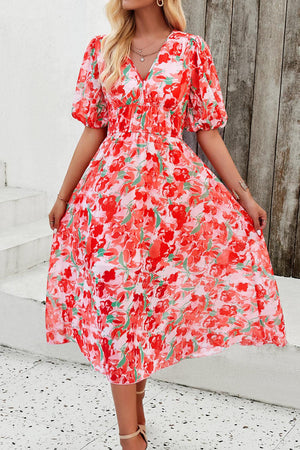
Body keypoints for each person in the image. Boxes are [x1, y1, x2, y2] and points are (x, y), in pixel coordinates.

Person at [45, 0, 287, 448]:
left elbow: (207, 131)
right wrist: (64, 194)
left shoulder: (190, 50)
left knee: (150, 303)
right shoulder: (103, 49)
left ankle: (136, 401)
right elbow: (94, 129)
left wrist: (244, 195)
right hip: (110, 200)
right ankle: (129, 437)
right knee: (118, 306)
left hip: (170, 200)